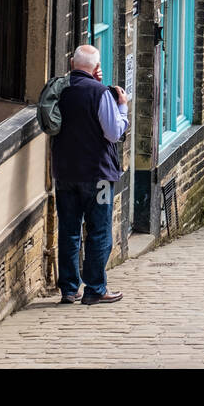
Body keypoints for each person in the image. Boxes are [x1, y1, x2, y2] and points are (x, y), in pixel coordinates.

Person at [52, 44, 128, 305]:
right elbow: (114, 133)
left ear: (73, 64)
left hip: (64, 172)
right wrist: (123, 109)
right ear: (96, 69)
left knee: (69, 229)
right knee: (99, 230)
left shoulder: (59, 89)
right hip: (98, 175)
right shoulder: (99, 93)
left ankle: (69, 289)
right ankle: (95, 288)